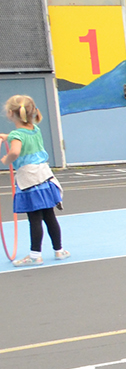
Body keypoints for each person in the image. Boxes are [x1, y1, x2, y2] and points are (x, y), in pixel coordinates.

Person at [3, 96, 64, 265]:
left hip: (29, 179)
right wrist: (5, 137)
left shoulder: (16, 135)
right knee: (49, 216)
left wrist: (6, 160)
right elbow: (22, 136)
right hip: (44, 176)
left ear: (10, 114)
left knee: (34, 218)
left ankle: (35, 255)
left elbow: (15, 151)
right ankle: (59, 250)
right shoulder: (34, 129)